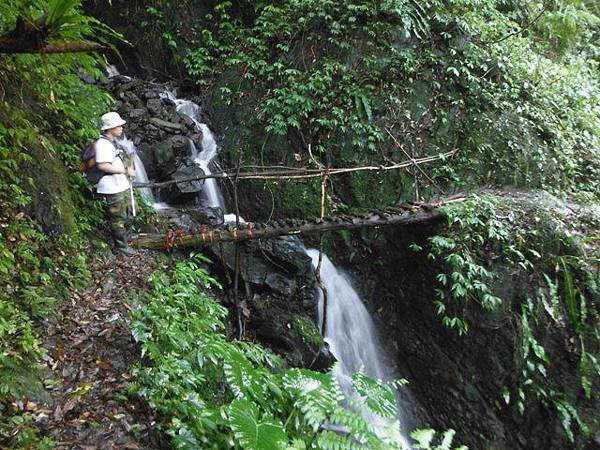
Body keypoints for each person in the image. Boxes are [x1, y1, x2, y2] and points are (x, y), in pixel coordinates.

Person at [95, 112, 136, 256]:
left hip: (122, 184)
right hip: (112, 187)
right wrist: (124, 170)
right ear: (110, 127)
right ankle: (121, 248)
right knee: (118, 218)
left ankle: (127, 239)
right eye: (118, 125)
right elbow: (103, 165)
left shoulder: (113, 142)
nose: (121, 128)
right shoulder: (102, 144)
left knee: (130, 214)